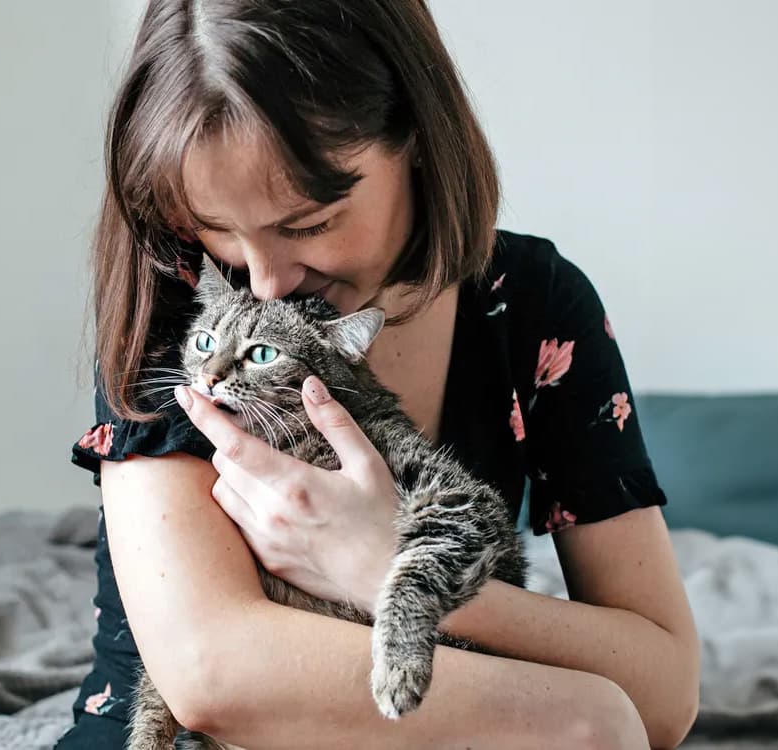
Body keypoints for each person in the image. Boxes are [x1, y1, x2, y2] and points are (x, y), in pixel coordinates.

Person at [57, 1, 700, 748]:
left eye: (307, 224)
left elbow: (664, 694)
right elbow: (212, 677)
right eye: (219, 228)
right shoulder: (178, 297)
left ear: (417, 137)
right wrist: (576, 713)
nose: (264, 281)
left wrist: (380, 566)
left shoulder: (533, 303)